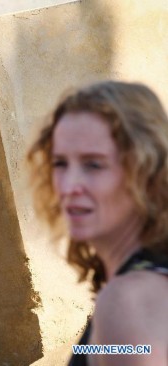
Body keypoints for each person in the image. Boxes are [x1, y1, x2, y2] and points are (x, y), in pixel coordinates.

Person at [27, 80, 168, 366]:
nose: (69, 186)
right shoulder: (146, 275)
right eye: (60, 164)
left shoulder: (126, 302)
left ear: (145, 172)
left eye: (93, 164)